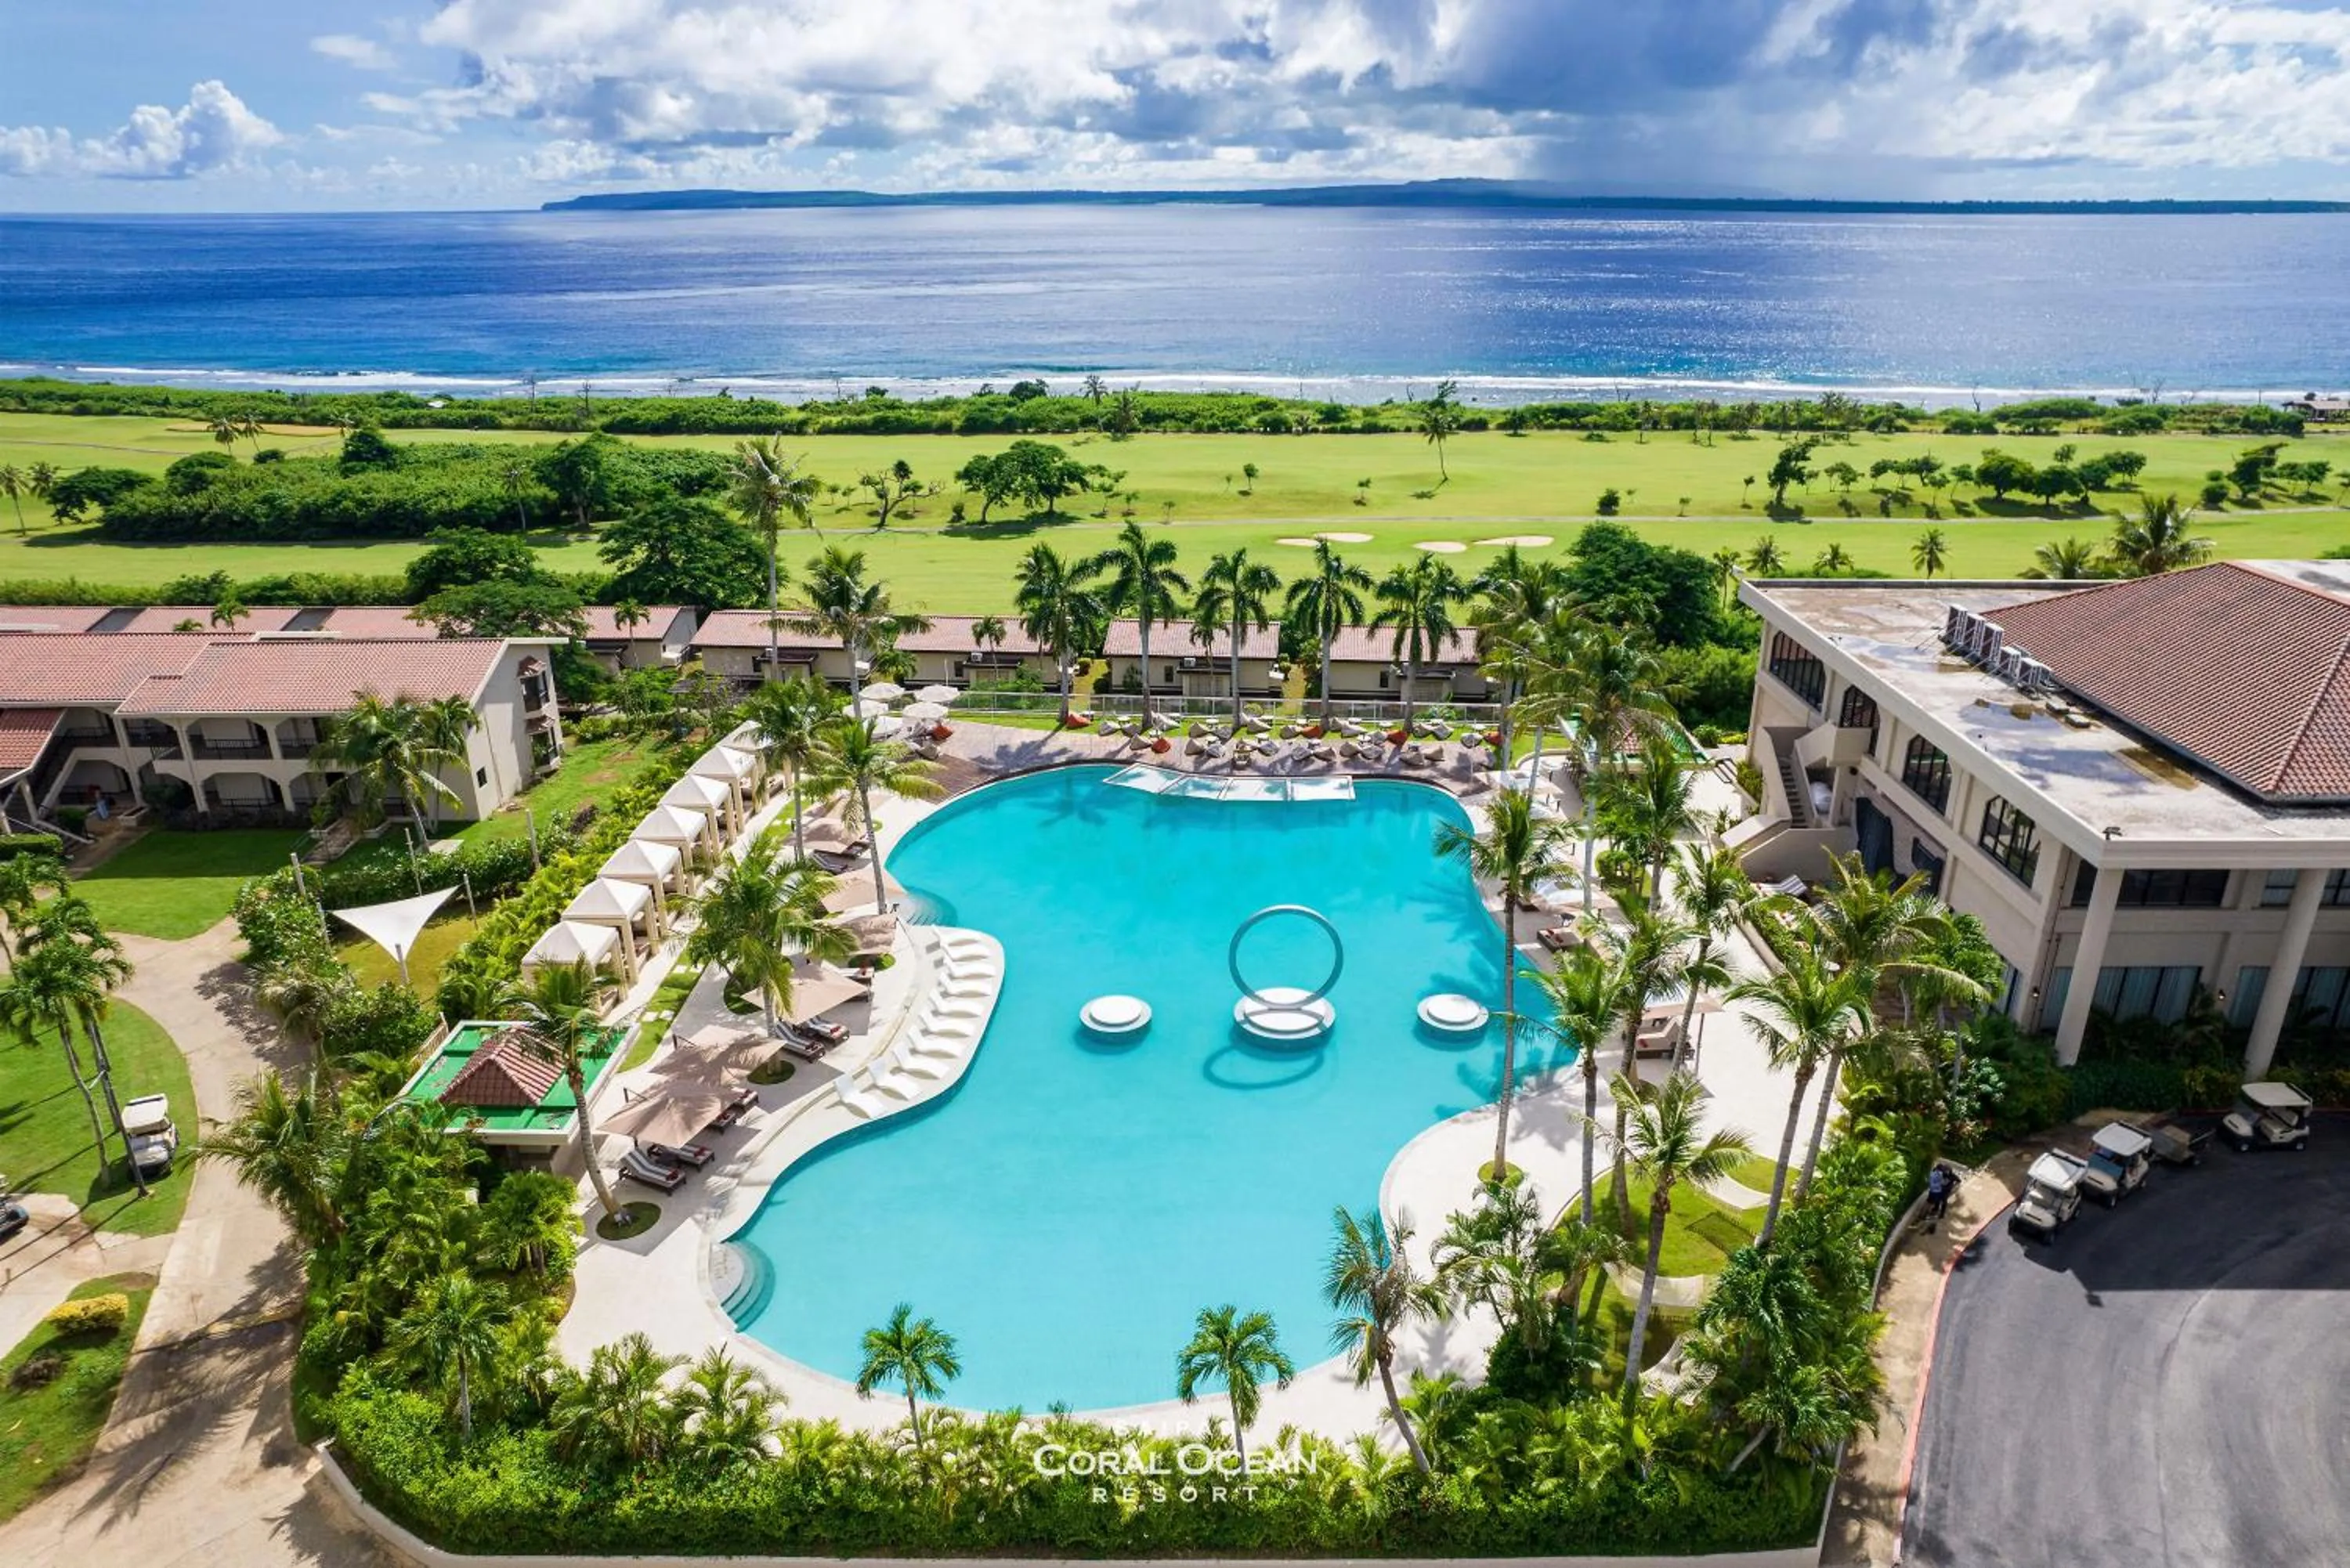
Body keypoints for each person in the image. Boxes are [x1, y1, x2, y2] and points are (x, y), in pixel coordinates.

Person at [1925, 1163, 1954, 1233]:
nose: (1945, 1172)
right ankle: (1936, 1208)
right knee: (1937, 1201)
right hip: (1939, 1191)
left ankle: (1942, 1214)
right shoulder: (1942, 1174)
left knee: (1944, 1202)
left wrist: (1951, 1187)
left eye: (1947, 1170)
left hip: (1945, 1192)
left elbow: (1958, 1181)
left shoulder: (1952, 1176)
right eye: (1945, 1170)